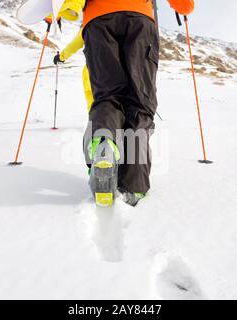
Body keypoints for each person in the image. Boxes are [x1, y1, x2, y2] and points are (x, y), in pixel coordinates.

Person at [81, 0, 160, 207]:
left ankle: (104, 144)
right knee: (140, 102)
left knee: (107, 96)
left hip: (97, 21)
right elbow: (185, 6)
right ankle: (135, 185)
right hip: (138, 18)